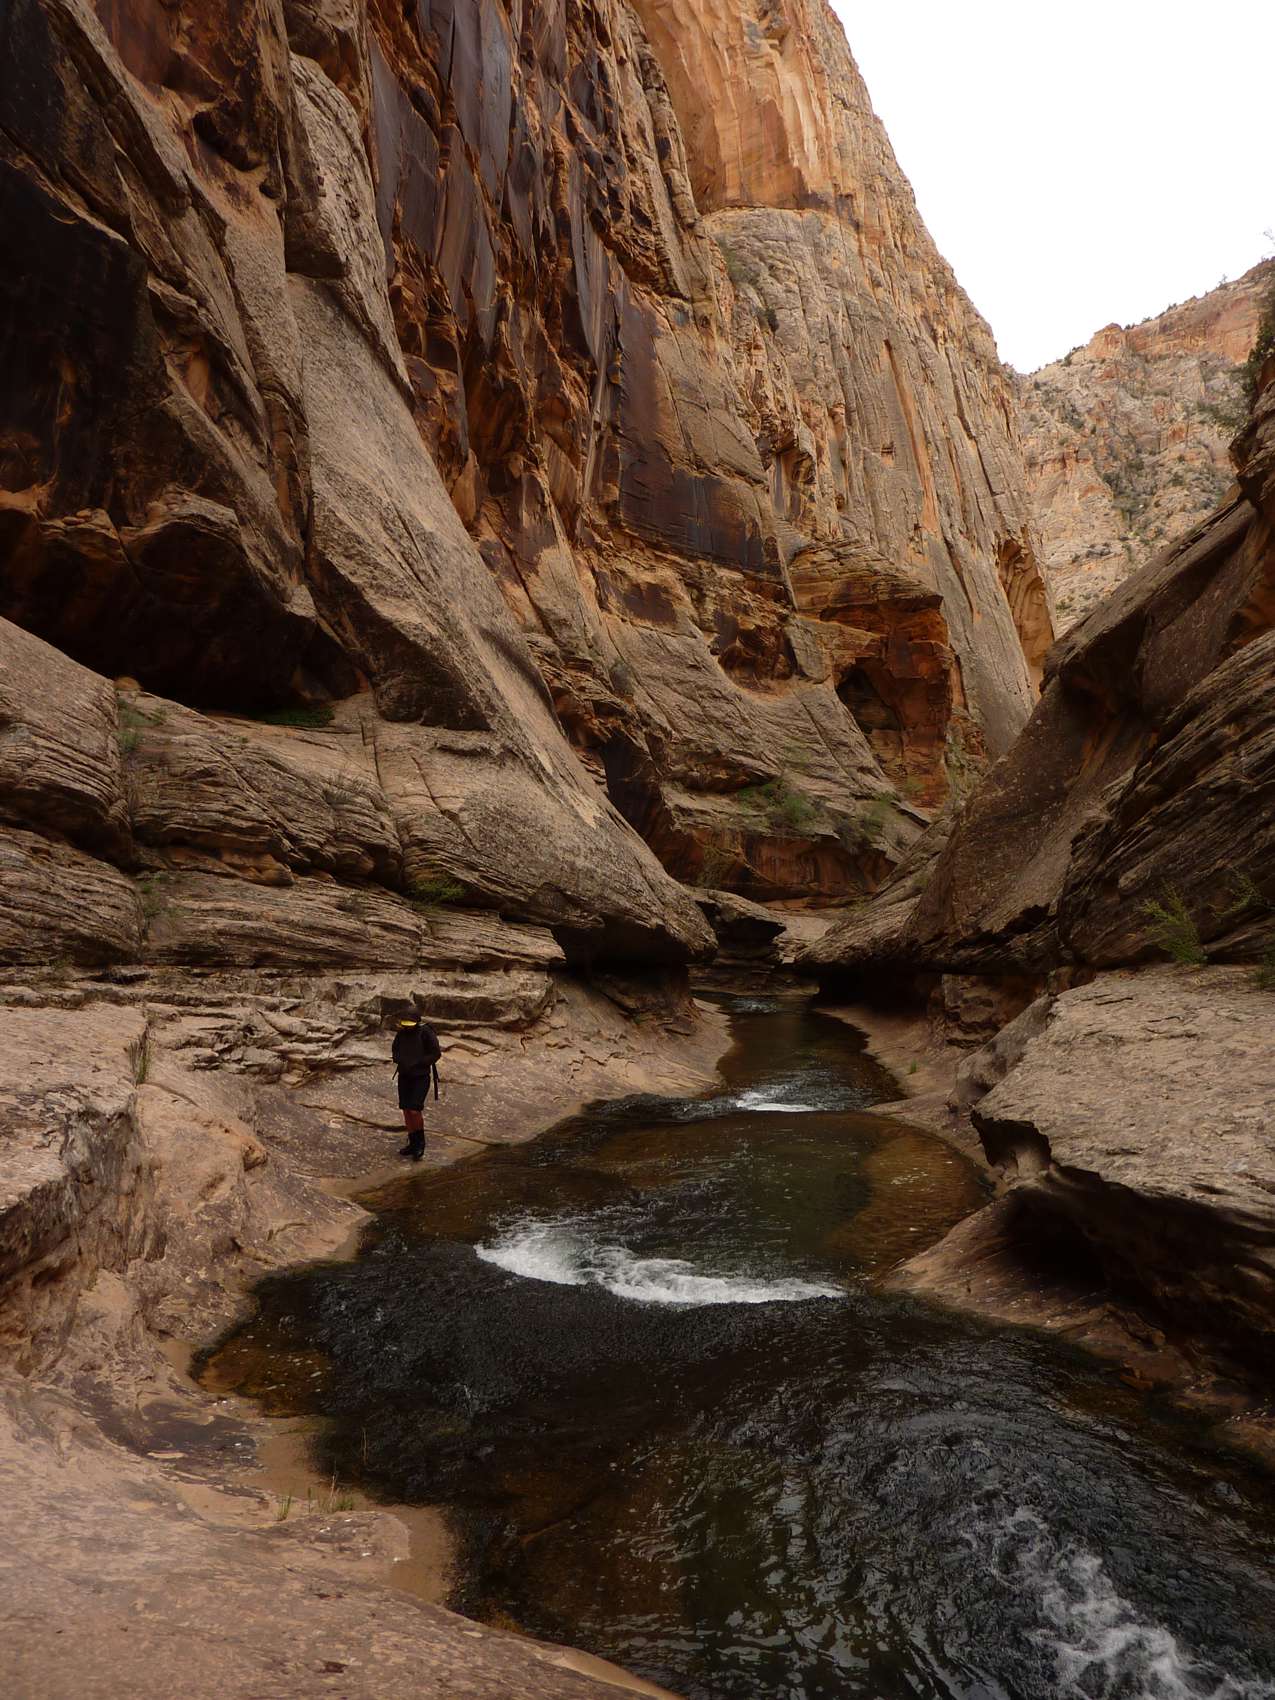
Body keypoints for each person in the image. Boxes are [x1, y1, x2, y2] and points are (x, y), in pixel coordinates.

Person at [391, 1013, 441, 1160]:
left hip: (420, 1077)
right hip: (404, 1076)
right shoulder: (401, 1034)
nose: (407, 1028)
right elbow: (395, 1050)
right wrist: (400, 1060)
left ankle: (420, 1144)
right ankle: (412, 1142)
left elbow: (436, 1054)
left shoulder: (426, 1033)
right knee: (406, 1109)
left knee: (414, 1110)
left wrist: (418, 1062)